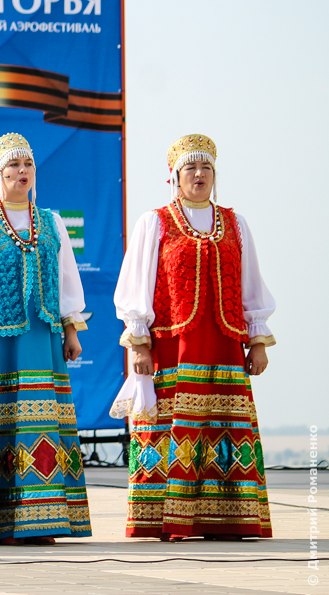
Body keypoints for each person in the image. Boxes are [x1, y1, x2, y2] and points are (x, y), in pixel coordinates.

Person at [113, 134, 274, 541]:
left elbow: (251, 284)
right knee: (170, 429)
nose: (199, 175)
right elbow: (136, 287)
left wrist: (256, 339)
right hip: (173, 345)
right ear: (175, 177)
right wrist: (140, 342)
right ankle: (170, 519)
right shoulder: (155, 222)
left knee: (223, 427)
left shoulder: (235, 223)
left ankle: (228, 518)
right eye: (190, 168)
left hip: (224, 344)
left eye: (206, 168)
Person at [0, 132, 92, 545]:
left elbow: (66, 279)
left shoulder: (50, 221)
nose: (23, 172)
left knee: (43, 420)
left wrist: (71, 327)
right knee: (2, 421)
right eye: (14, 167)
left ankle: (43, 520)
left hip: (44, 338)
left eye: (28, 166)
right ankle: (0, 521)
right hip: (0, 341)